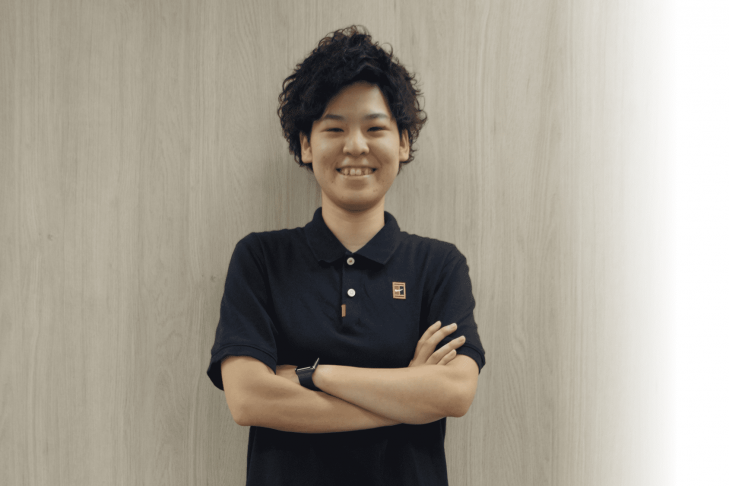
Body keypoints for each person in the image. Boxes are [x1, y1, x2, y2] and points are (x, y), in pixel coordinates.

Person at [207, 25, 485, 486]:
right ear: (305, 144)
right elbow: (249, 400)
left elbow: (454, 392)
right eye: (334, 128)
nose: (356, 145)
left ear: (403, 142)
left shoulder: (439, 266)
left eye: (375, 128)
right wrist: (407, 397)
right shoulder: (261, 259)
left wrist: (312, 374)